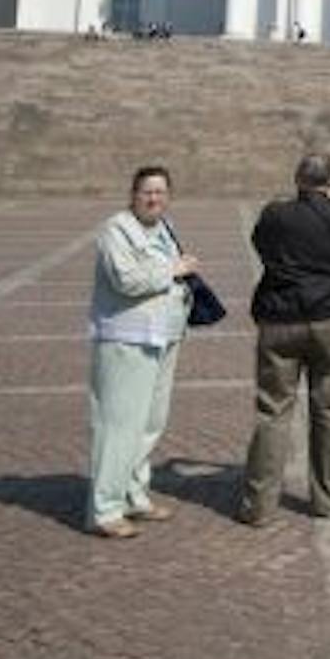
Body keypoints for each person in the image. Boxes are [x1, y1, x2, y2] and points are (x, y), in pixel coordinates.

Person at [237, 153, 330, 527]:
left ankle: (258, 504)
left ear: (296, 179)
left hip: (280, 318)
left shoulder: (274, 214)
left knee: (273, 411)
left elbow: (261, 243)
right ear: (329, 181)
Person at [87, 165, 197, 538]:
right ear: (133, 195)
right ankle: (105, 509)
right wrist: (173, 269)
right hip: (126, 339)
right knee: (118, 425)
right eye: (147, 192)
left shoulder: (165, 228)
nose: (154, 199)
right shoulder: (116, 229)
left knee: (150, 422)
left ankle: (134, 493)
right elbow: (127, 280)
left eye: (161, 192)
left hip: (162, 336)